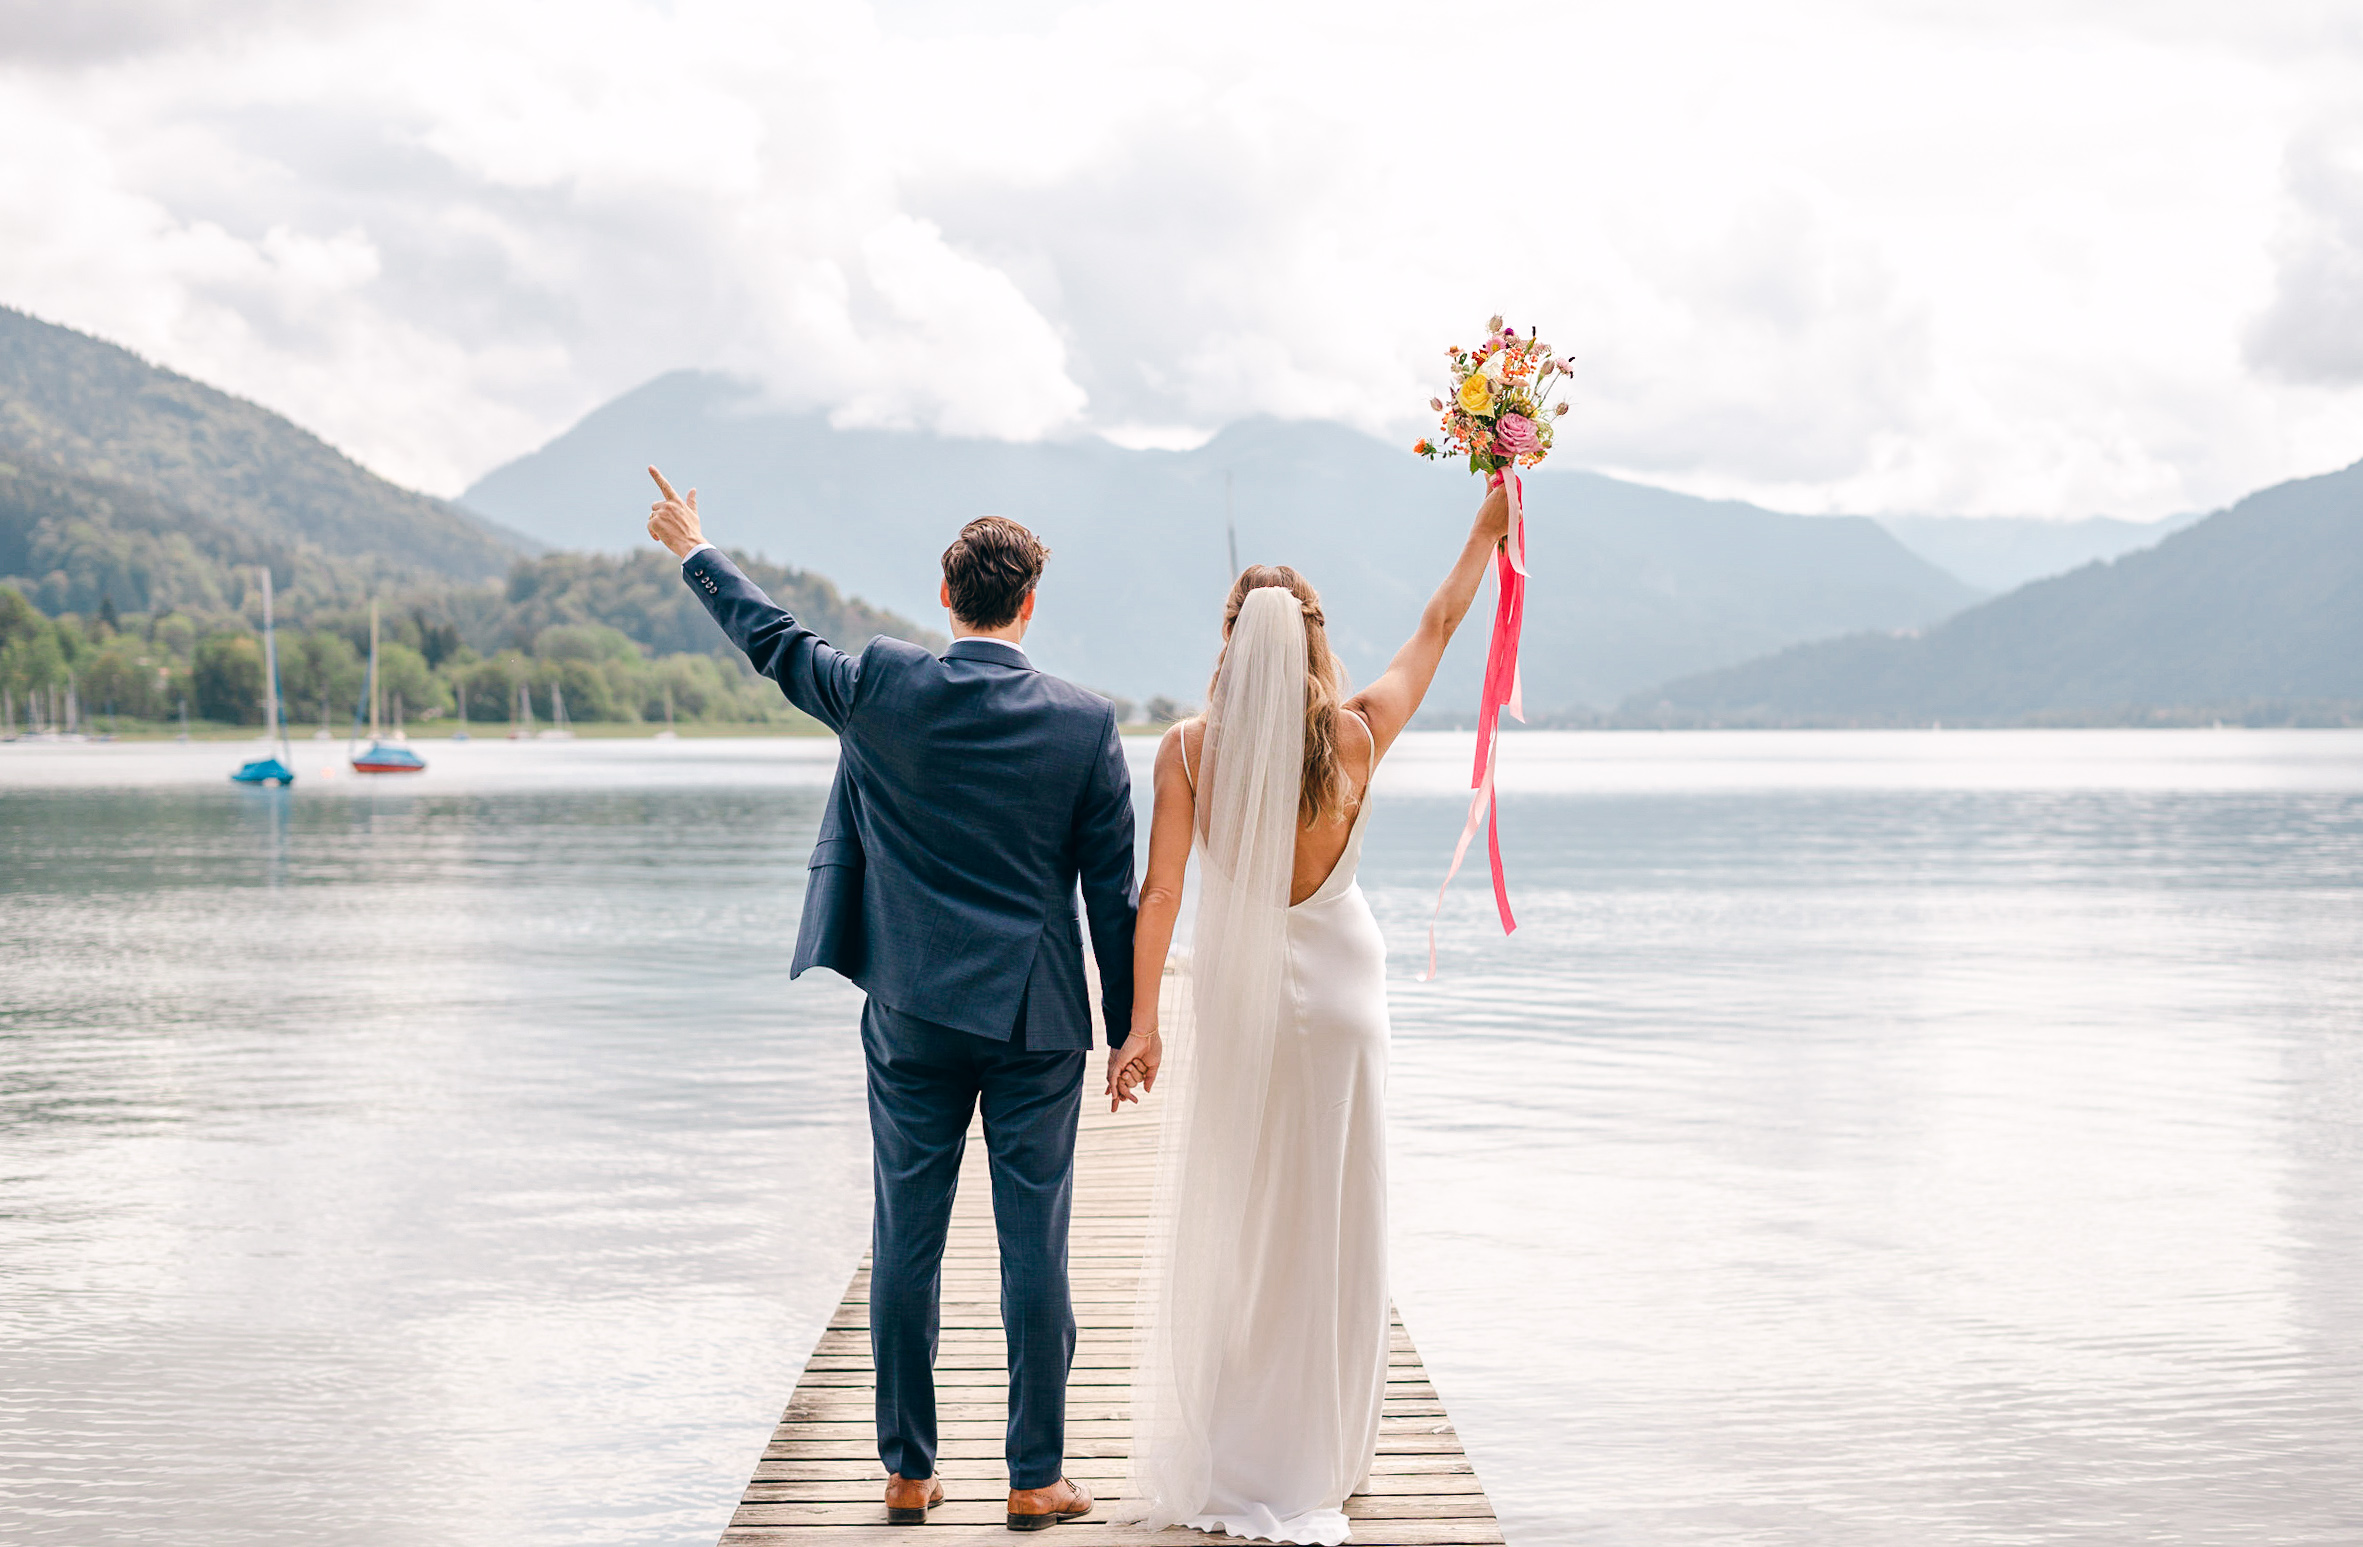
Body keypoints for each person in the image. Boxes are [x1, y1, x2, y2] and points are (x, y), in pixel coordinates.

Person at [645, 470, 1137, 1532]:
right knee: (1032, 1247)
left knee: (904, 1237)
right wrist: (1132, 1025)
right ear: (1029, 603)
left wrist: (695, 546)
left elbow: (771, 639)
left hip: (911, 1010)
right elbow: (1111, 897)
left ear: (946, 594)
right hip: (1035, 1019)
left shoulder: (883, 685)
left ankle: (907, 1471)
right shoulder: (1084, 724)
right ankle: (1032, 1474)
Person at [1109, 477, 1512, 1544]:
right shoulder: (1357, 734)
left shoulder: (1188, 750)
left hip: (1245, 1005)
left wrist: (1140, 1024)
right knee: (1336, 1213)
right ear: (1315, 643)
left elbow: (1158, 896)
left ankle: (1248, 1433)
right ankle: (1329, 1445)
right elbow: (1435, 625)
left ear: (1231, 645)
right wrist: (1485, 527)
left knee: (1248, 1216)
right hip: (1341, 1005)